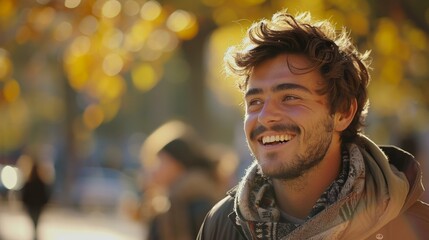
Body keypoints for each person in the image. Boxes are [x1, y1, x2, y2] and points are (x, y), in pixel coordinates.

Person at [197, 9, 429, 240]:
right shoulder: (219, 226)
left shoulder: (416, 229)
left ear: (343, 113)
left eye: (289, 97)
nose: (265, 116)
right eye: (255, 102)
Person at [137, 120, 227, 240]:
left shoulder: (199, 207)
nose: (153, 170)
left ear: (178, 164)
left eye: (160, 161)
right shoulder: (167, 202)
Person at [18, 153, 55, 240]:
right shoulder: (40, 182)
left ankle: (35, 235)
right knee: (36, 222)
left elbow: (24, 194)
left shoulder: (29, 182)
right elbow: (46, 193)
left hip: (32, 205)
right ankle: (35, 235)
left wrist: (24, 203)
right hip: (37, 206)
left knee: (34, 222)